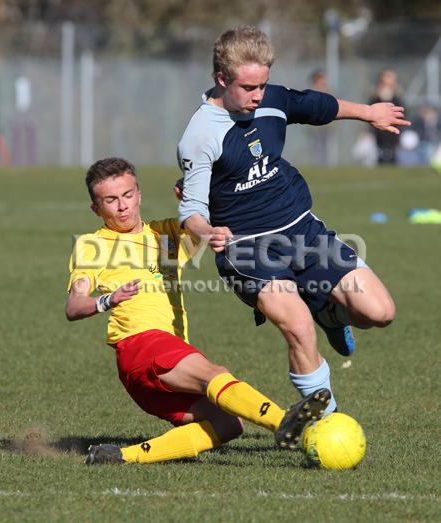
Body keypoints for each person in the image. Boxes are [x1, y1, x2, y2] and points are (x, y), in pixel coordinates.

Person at [177, 26, 410, 414]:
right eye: (248, 87)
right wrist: (206, 230)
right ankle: (326, 420)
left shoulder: (272, 99)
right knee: (298, 328)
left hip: (301, 228)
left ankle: (330, 312)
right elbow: (191, 210)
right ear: (221, 79)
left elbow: (316, 106)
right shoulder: (200, 135)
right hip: (247, 247)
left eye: (263, 85)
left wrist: (368, 112)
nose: (258, 96)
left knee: (380, 313)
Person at [65, 157, 330, 465]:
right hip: (142, 344)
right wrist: (106, 300)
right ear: (96, 209)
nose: (122, 206)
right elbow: (74, 306)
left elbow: (207, 231)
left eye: (127, 195)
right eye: (110, 200)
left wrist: (195, 202)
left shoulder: (163, 236)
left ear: (139, 194)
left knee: (228, 425)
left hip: (152, 365)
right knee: (215, 374)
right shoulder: (92, 244)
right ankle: (286, 422)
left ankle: (122, 456)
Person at [368, 69, 404, 164]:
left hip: (394, 132)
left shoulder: (397, 97)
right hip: (378, 132)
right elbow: (370, 111)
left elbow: (402, 111)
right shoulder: (375, 97)